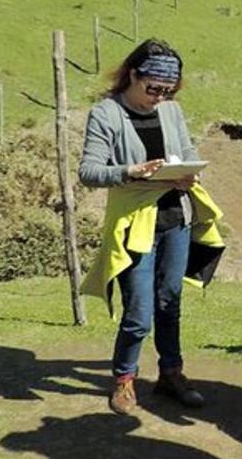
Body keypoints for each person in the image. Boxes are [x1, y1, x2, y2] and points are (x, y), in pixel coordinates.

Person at [78, 38, 225, 416]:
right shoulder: (106, 114)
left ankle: (171, 373)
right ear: (133, 75)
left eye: (167, 91)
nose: (159, 97)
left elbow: (188, 153)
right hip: (134, 226)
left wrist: (188, 173)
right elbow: (89, 172)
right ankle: (124, 380)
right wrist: (130, 171)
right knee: (139, 311)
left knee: (170, 302)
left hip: (175, 219)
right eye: (153, 88)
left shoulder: (171, 111)